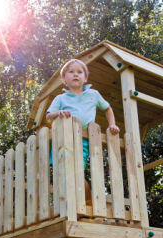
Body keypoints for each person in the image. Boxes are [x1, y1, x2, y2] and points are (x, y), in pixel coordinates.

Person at [46, 59, 120, 205]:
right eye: (71, 72)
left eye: (79, 72)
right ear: (64, 79)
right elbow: (49, 116)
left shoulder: (93, 94)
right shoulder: (60, 98)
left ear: (85, 78)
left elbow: (107, 108)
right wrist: (59, 112)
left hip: (82, 141)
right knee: (63, 175)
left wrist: (112, 125)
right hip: (62, 141)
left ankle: (87, 202)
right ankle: (71, 205)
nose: (75, 74)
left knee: (76, 174)